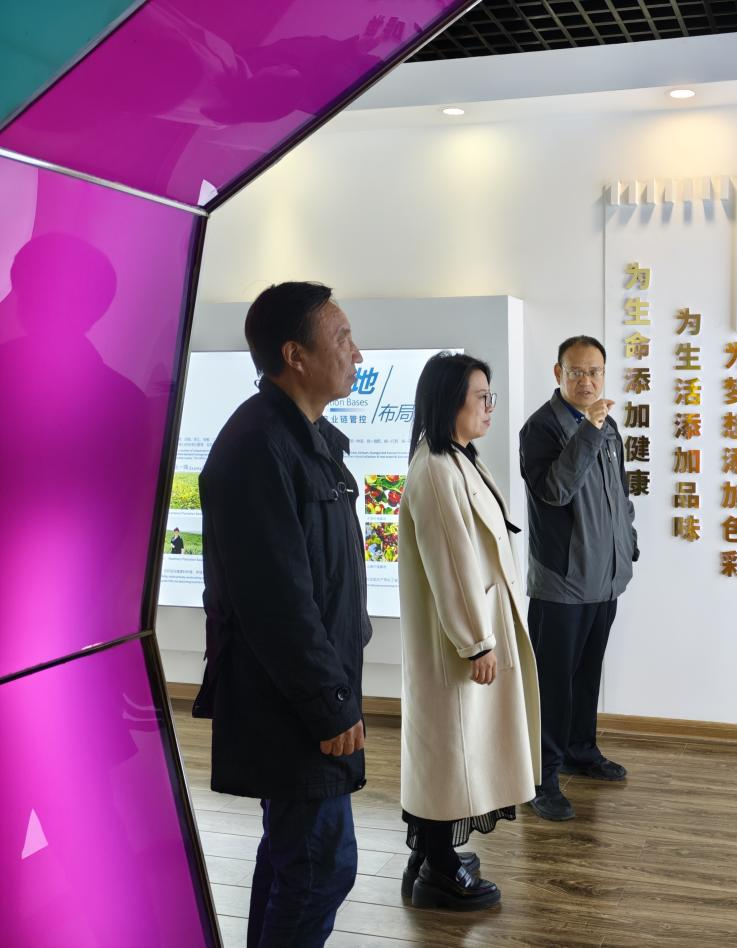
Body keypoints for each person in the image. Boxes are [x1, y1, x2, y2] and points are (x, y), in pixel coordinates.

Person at [193, 282, 371, 947]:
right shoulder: (258, 446)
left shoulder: (304, 438)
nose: (356, 353)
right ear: (295, 355)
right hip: (291, 703)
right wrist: (330, 703)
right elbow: (277, 602)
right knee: (321, 867)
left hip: (307, 693)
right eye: (342, 338)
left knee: (297, 858)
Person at [398, 352, 541, 911]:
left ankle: (430, 854)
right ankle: (438, 867)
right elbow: (452, 565)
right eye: (481, 397)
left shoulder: (457, 458)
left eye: (489, 396)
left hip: (470, 631)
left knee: (455, 750)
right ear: (448, 401)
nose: (489, 407)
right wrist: (476, 642)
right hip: (458, 641)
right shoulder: (436, 469)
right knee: (451, 754)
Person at [519, 335, 638, 821]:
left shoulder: (609, 427)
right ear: (558, 373)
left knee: (588, 674)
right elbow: (554, 491)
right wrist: (588, 431)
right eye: (576, 372)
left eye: (594, 372)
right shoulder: (541, 429)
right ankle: (540, 778)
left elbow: (621, 495)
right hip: (562, 583)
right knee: (552, 685)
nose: (586, 381)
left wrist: (628, 544)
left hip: (605, 579)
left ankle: (580, 750)